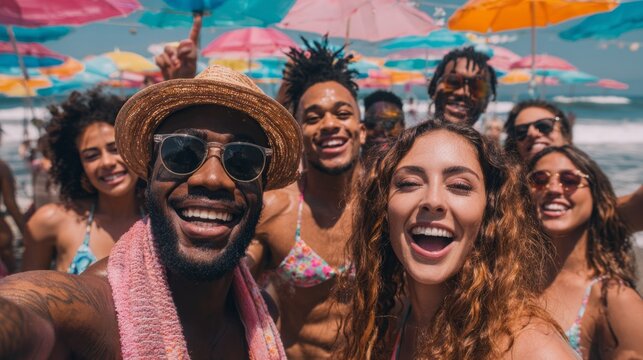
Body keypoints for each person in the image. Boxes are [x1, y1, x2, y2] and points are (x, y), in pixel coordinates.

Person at [0, 64, 300, 358]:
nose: (212, 178)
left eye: (244, 160)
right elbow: (29, 304)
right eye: (181, 153)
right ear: (149, 173)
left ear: (262, 188)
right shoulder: (94, 315)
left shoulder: (263, 318)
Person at [339, 120, 577, 359]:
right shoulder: (385, 321)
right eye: (409, 183)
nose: (433, 200)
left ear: (490, 211)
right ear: (382, 208)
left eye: (460, 186)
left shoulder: (530, 349)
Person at [246, 37, 365, 359]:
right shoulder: (275, 208)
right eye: (313, 118)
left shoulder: (386, 205)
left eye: (342, 113)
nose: (329, 125)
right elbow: (230, 283)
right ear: (297, 134)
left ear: (361, 129)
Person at [527, 145, 643, 358]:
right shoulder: (506, 277)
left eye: (570, 180)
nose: (553, 188)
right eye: (539, 179)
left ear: (596, 196)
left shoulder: (613, 298)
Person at [21, 89, 142, 274]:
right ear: (79, 166)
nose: (107, 162)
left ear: (136, 151)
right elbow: (24, 298)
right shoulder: (51, 222)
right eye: (91, 156)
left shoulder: (162, 221)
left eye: (115, 149)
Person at [504, 99, 643, 232]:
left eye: (544, 126)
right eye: (521, 131)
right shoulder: (503, 197)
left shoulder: (593, 202)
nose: (532, 133)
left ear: (567, 135)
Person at [428, 46, 497, 126]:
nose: (463, 93)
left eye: (476, 87)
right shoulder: (412, 138)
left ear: (485, 103)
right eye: (453, 81)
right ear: (433, 89)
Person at [0, 159, 24, 276]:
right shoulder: (2, 167)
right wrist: (27, 234)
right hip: (2, 233)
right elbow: (10, 204)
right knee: (10, 283)